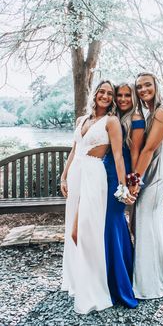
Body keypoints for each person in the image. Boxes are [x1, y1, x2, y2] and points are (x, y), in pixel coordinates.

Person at [60, 80, 135, 314]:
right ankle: (78, 282)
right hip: (75, 176)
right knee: (71, 231)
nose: (104, 96)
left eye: (109, 94)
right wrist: (63, 176)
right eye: (101, 91)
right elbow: (74, 149)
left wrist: (124, 188)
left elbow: (118, 156)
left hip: (94, 177)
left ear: (112, 99)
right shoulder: (81, 120)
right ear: (94, 94)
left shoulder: (111, 122)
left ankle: (95, 288)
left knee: (83, 232)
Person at [130, 72, 163, 299]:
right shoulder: (150, 112)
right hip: (150, 172)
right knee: (149, 224)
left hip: (155, 174)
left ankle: (148, 285)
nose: (143, 89)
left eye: (147, 84)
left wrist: (134, 182)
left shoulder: (161, 112)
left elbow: (148, 150)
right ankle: (157, 274)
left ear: (157, 86)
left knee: (145, 224)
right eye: (138, 86)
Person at [103, 83, 145, 308]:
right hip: (107, 171)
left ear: (133, 97)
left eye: (126, 95)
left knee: (115, 221)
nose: (122, 98)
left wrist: (132, 184)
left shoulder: (135, 118)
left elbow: (136, 152)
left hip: (123, 174)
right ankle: (111, 277)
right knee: (111, 223)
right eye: (118, 95)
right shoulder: (114, 116)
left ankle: (121, 283)